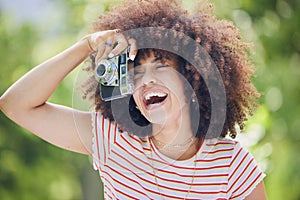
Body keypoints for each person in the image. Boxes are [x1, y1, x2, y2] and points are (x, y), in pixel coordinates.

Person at [0, 0, 267, 199]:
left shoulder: (232, 165)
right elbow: (16, 105)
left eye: (161, 66)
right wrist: (87, 45)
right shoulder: (112, 139)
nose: (146, 80)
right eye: (136, 72)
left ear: (193, 80)